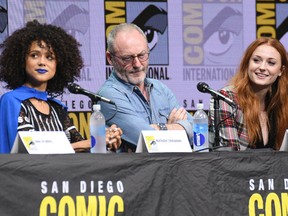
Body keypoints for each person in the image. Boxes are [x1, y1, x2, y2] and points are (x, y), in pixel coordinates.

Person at [0, 20, 122, 153]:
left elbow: (79, 146)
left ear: (59, 64)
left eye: (50, 57)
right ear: (21, 60)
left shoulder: (57, 108)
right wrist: (93, 142)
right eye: (34, 55)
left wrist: (106, 138)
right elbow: (29, 150)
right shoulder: (12, 101)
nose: (42, 62)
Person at [97, 23, 193, 152]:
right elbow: (149, 140)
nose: (137, 64)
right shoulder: (108, 96)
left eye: (142, 55)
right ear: (110, 58)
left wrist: (161, 129)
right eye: (127, 58)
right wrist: (172, 127)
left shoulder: (160, 88)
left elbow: (197, 129)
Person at [209, 37, 288, 151]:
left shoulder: (281, 102)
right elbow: (230, 157)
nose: (262, 67)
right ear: (247, 64)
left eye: (271, 63)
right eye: (256, 60)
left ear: (281, 70)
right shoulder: (226, 98)